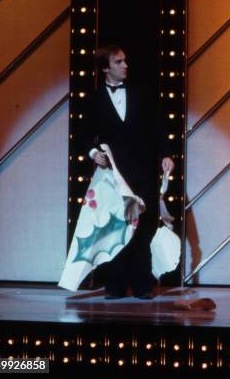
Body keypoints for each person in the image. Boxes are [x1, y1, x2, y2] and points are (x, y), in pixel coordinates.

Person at [85, 45, 174, 299]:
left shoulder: (142, 93)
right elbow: (84, 136)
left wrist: (166, 154)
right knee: (116, 227)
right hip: (113, 173)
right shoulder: (94, 100)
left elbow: (158, 127)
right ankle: (115, 285)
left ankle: (143, 285)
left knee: (143, 227)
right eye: (119, 62)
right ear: (105, 68)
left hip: (143, 169)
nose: (125, 66)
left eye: (125, 61)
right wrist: (94, 154)